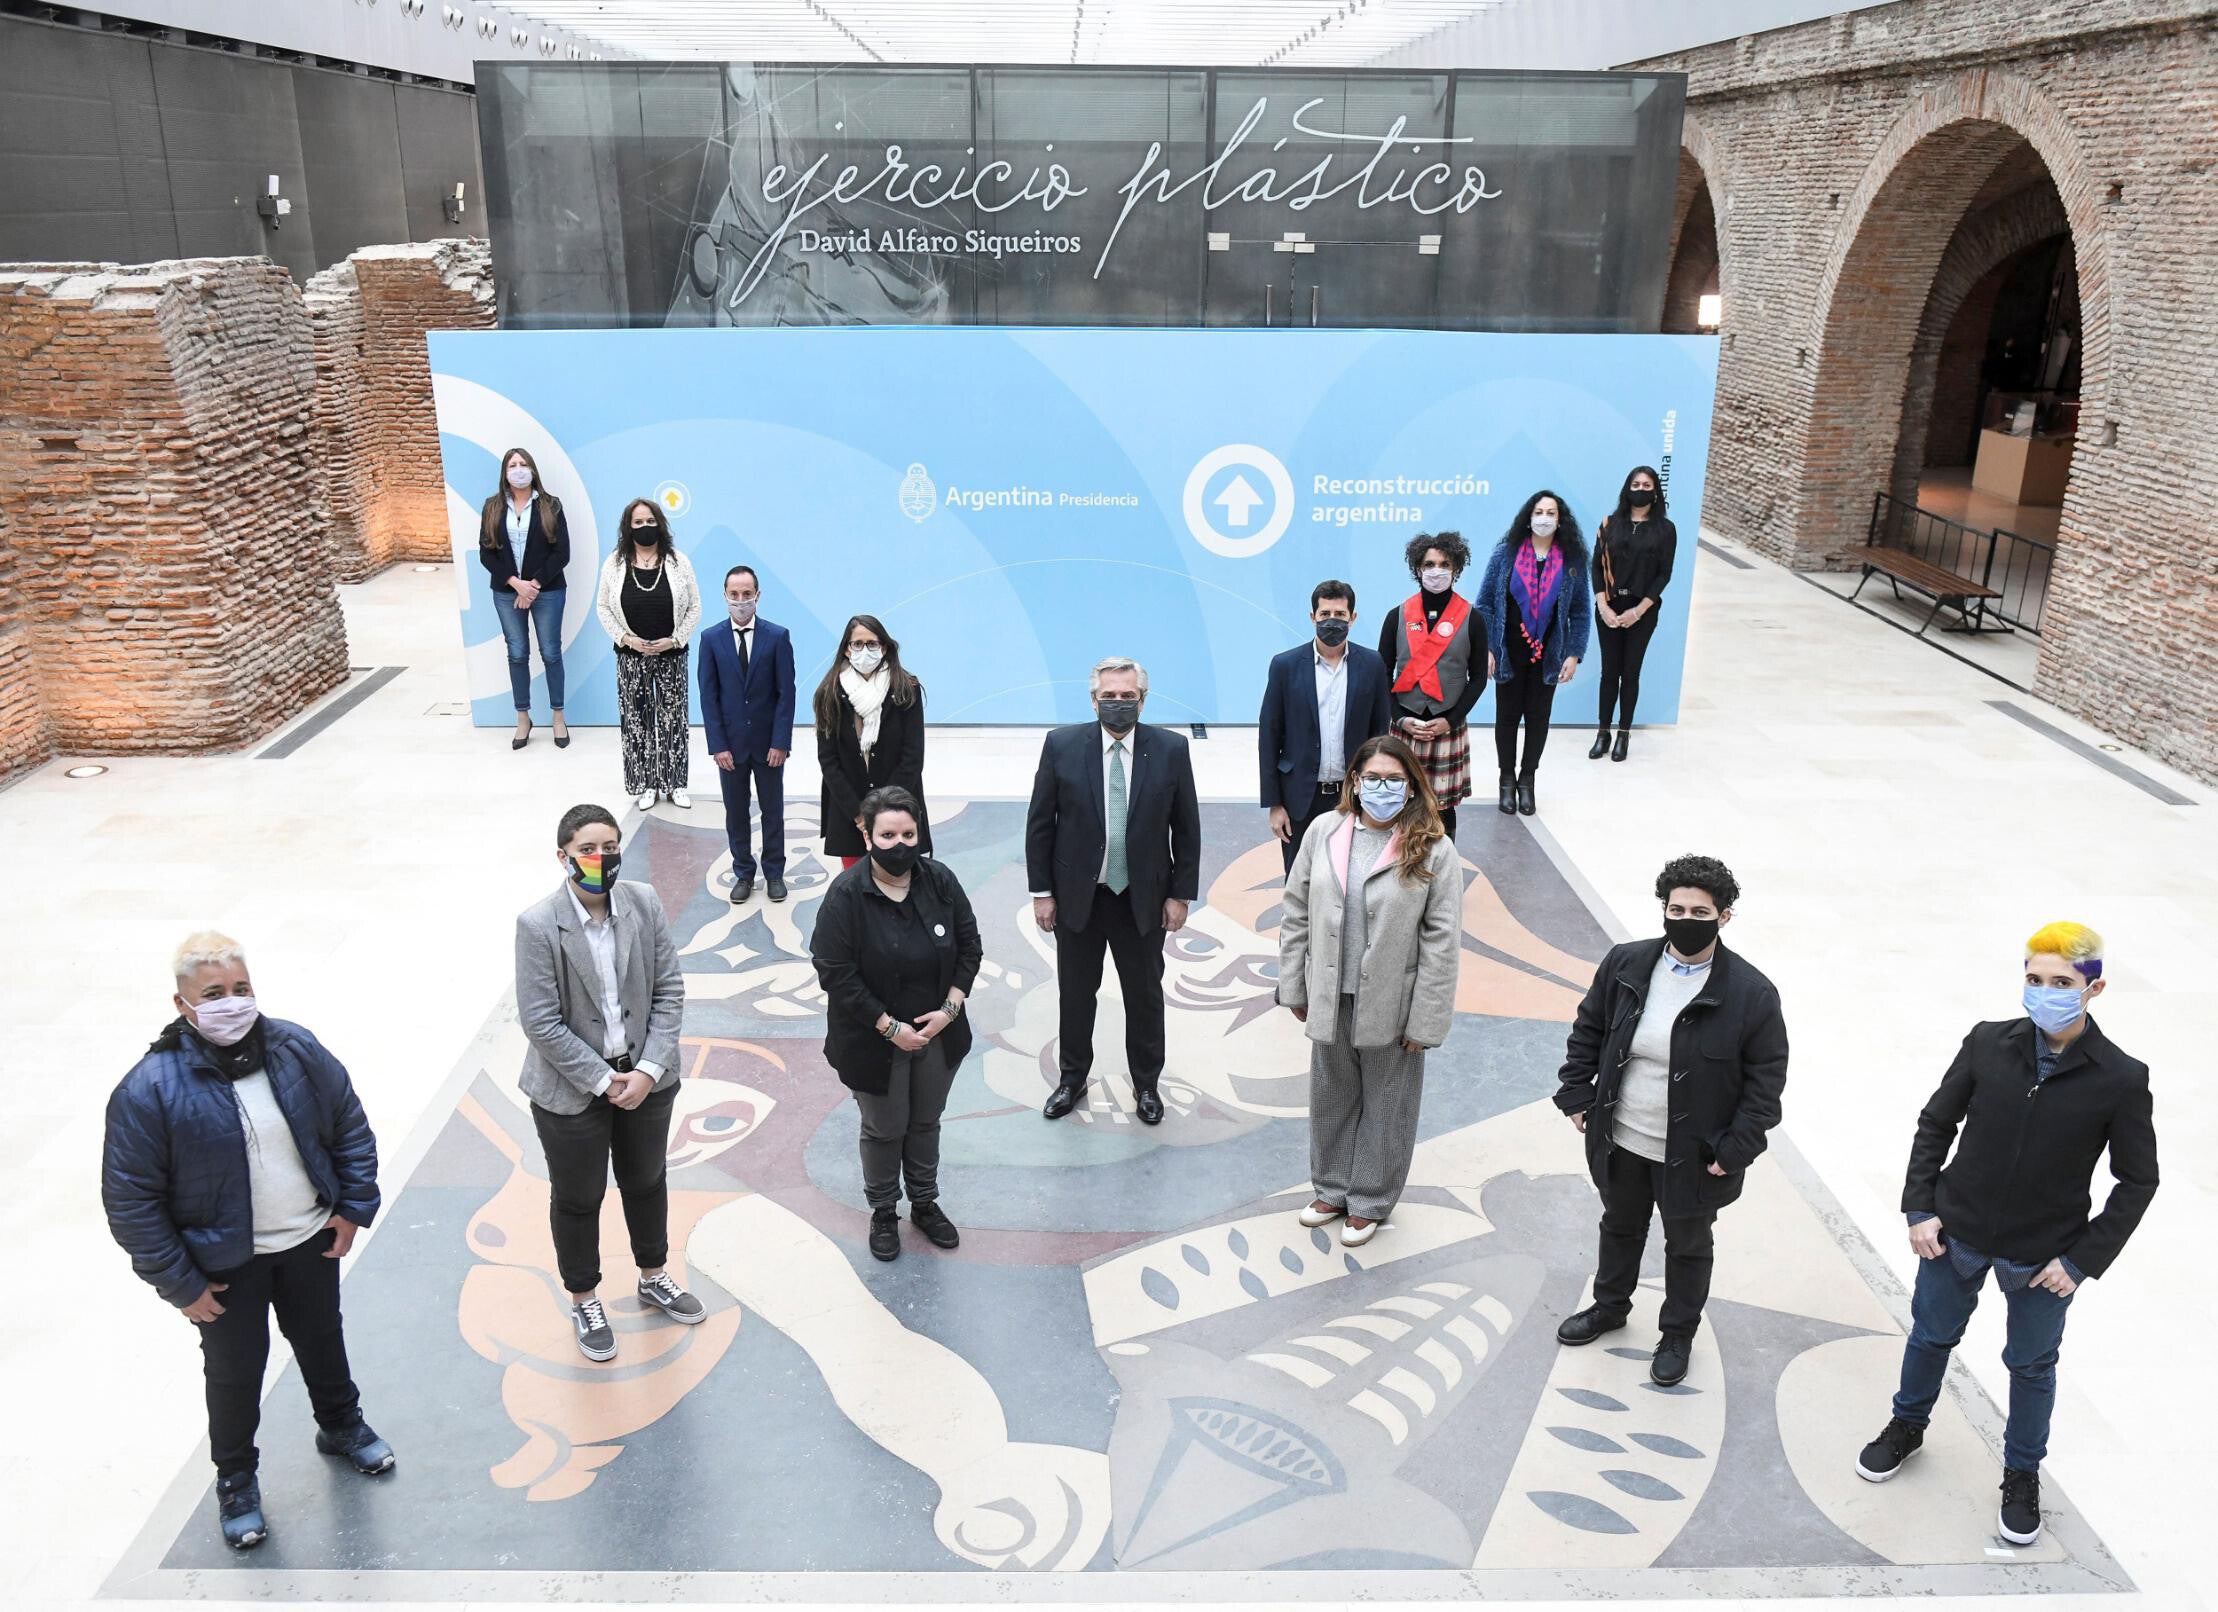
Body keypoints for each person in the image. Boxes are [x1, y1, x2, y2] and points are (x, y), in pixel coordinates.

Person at [1855, 922, 2158, 1549]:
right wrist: (1919, 1207)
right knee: (1931, 1336)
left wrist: (2080, 1261)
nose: (2045, 992)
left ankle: (2021, 1475)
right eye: (2034, 980)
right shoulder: (1988, 1042)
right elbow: (1936, 1122)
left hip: (2044, 1255)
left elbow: (2137, 1181)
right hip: (1955, 1232)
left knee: (2031, 1365)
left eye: (2061, 983)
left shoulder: (2121, 1078)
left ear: (2093, 988)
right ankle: (1905, 1428)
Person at [102, 933, 392, 1551]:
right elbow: (131, 1201)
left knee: (322, 1339)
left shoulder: (295, 1049)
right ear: (183, 1006)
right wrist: (180, 1283)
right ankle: (236, 1480)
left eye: (241, 989)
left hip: (309, 1240)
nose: (231, 1004)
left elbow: (348, 1125)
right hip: (224, 1267)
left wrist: (351, 1208)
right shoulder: (149, 1089)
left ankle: (341, 1426)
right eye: (213, 994)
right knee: (235, 1373)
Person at [1552, 854, 1788, 1387]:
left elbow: (1766, 1084)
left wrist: (1733, 1151)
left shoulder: (1751, 994)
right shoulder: (1627, 964)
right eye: (1676, 908)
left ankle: (1677, 1333)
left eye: (1700, 912)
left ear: (1724, 917)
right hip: (1624, 1138)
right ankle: (1610, 1307)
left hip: (1695, 1155)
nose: (1685, 919)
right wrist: (1577, 1095)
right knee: (1620, 1225)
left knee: (1687, 1244)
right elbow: (1589, 1029)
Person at [514, 804, 703, 1363]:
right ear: (563, 856)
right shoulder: (538, 925)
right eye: (588, 850)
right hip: (572, 1091)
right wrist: (602, 1079)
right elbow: (540, 1020)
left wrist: (645, 1071)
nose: (601, 859)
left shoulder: (643, 903)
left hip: (646, 1078)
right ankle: (585, 1297)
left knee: (646, 1180)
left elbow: (669, 989)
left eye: (610, 847)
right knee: (578, 1197)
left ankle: (653, 1274)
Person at [1277, 735, 1464, 1247]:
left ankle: (1371, 1198)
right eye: (1373, 778)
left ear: (1412, 787)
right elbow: (1295, 911)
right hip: (1330, 991)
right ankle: (1332, 1187)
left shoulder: (1433, 846)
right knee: (1330, 1092)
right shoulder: (1324, 831)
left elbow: (1442, 941)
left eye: (1394, 780)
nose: (1382, 788)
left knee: (1388, 1100)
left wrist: (1426, 1020)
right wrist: (1294, 984)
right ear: (1355, 782)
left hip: (1393, 1001)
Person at [1025, 656, 1201, 1127]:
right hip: (1079, 898)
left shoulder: (1170, 749)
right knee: (1076, 993)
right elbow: (1040, 824)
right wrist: (1042, 892)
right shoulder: (1062, 746)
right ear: (1094, 699)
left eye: (1127, 697)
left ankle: (1146, 1085)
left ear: (1143, 700)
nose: (1118, 704)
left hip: (1142, 900)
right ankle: (1071, 1078)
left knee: (1144, 995)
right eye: (1109, 697)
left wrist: (1180, 894)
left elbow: (1186, 828)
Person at [810, 785, 983, 1260]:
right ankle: (884, 1210)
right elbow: (834, 971)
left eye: (909, 832)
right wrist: (890, 1028)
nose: (900, 844)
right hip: (871, 1040)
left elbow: (970, 947)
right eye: (888, 834)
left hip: (937, 1037)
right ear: (867, 835)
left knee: (926, 1122)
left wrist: (948, 1011)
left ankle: (925, 1203)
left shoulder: (939, 880)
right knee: (885, 1128)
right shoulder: (846, 895)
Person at [1259, 580, 1393, 873]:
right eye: (1325, 614)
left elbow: (1380, 734)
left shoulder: (1371, 664)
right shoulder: (1285, 666)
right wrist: (1274, 803)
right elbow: (1269, 735)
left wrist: (1375, 793)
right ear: (1313, 617)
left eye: (1340, 614)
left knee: (1352, 875)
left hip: (1352, 795)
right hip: (1298, 798)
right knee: (1299, 877)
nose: (1332, 621)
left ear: (1352, 618)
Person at [1477, 491, 1591, 818]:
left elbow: (1581, 612)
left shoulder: (1571, 560)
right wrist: (1487, 647)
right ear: (1528, 517)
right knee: (1507, 718)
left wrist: (1574, 653)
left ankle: (1527, 779)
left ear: (1560, 519)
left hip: (1548, 655)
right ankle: (1506, 779)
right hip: (1507, 651)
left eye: (1550, 513)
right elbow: (1484, 603)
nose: (1544, 518)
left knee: (1538, 719)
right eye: (1538, 511)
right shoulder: (1505, 554)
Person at [697, 565, 797, 904]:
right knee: (735, 812)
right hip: (731, 748)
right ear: (725, 595)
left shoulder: (777, 636)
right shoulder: (710, 639)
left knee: (773, 810)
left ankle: (774, 873)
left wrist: (781, 741)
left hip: (768, 746)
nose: (741, 601)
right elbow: (708, 697)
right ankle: (743, 871)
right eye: (735, 594)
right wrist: (718, 745)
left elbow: (786, 693)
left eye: (747, 594)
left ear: (757, 595)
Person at [595, 498, 702, 811]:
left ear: (661, 524)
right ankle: (645, 784)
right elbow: (603, 606)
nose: (645, 528)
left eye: (650, 521)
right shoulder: (614, 563)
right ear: (628, 527)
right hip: (631, 656)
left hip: (672, 654)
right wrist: (626, 639)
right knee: (637, 721)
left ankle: (675, 784)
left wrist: (675, 639)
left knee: (673, 719)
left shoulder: (678, 561)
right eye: (638, 522)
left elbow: (695, 605)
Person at [1378, 533, 1485, 843]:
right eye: (1429, 564)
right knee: (1397, 802)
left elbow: (1478, 678)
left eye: (1444, 564)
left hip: (1446, 726)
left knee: (1442, 807)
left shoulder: (1472, 618)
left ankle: (1443, 868)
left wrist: (1449, 720)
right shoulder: (1396, 616)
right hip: (1405, 723)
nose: (1436, 571)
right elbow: (1382, 673)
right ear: (1417, 569)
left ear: (1456, 569)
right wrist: (1399, 718)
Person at [815, 615, 928, 871]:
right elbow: (828, 761)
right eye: (857, 644)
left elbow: (912, 757)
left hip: (898, 813)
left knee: (902, 886)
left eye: (872, 644)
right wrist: (859, 814)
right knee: (856, 891)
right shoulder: (828, 693)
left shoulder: (906, 689)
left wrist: (885, 811)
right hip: (850, 814)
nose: (865, 651)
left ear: (884, 647)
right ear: (846, 648)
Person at [478, 447, 571, 751]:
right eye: (512, 465)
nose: (518, 469)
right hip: (507, 592)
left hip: (548, 590)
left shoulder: (550, 506)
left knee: (550, 652)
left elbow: (562, 552)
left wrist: (534, 585)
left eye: (523, 464)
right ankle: (523, 717)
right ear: (504, 473)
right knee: (517, 654)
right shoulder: (492, 507)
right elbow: (486, 553)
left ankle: (558, 716)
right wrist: (516, 584)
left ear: (533, 469)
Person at [1589, 466, 1677, 763]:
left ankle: (1623, 733)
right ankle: (1603, 732)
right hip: (1609, 608)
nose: (1641, 488)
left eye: (1647, 484)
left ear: (1655, 491)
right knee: (1608, 672)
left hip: (1643, 610)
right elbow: (1596, 567)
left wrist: (1639, 611)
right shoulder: (1608, 523)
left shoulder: (1666, 529)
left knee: (1631, 672)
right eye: (1636, 483)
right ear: (1627, 488)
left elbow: (1664, 575)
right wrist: (1603, 606)